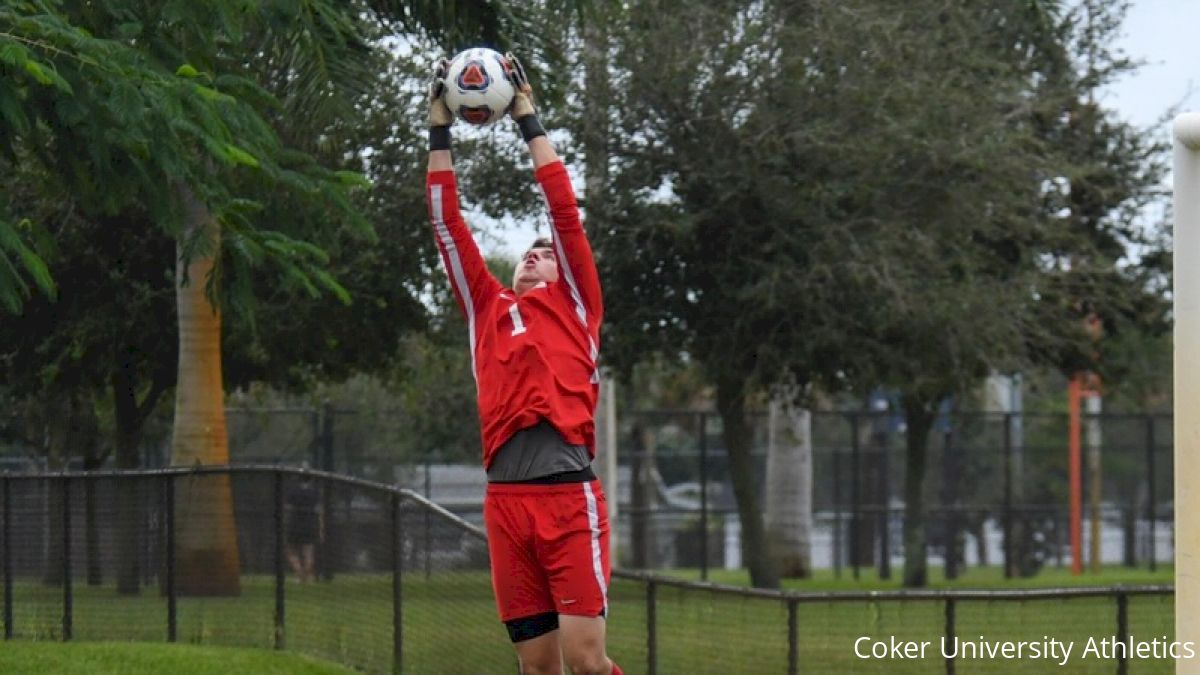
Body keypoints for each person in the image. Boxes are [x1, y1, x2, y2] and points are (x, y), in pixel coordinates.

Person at [426, 54, 621, 675]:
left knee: (586, 662)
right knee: (538, 667)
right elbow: (446, 225)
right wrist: (439, 130)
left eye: (547, 253)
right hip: (506, 503)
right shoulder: (486, 307)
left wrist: (527, 118)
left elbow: (563, 211)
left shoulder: (577, 303)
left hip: (569, 500)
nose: (537, 255)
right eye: (528, 253)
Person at [285, 472, 322, 582]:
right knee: (308, 551)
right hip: (310, 524)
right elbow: (319, 509)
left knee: (290, 550)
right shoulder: (315, 492)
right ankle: (307, 575)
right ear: (310, 480)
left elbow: (287, 507)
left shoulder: (293, 492)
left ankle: (299, 573)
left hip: (295, 524)